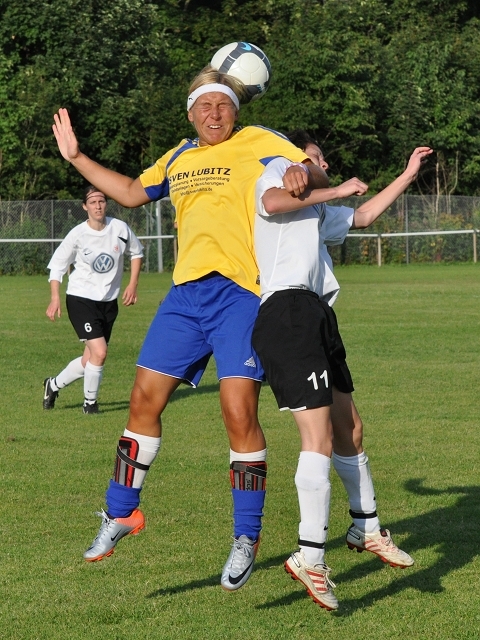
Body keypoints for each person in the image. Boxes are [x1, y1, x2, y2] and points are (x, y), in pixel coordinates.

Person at [52, 67, 329, 589]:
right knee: (142, 401)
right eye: (204, 106)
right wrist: (77, 158)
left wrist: (302, 172)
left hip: (240, 295)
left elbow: (309, 169)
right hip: (185, 297)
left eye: (224, 105)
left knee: (238, 410)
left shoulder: (258, 140)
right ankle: (122, 512)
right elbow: (130, 192)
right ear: (190, 114)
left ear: (236, 111)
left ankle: (246, 535)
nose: (214, 114)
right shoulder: (178, 156)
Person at [252, 130, 433, 609]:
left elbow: (365, 215)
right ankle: (309, 557)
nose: (323, 163)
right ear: (297, 160)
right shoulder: (275, 173)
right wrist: (334, 187)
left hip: (317, 315)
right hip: (287, 312)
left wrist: (407, 175)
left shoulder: (315, 212)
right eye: (315, 158)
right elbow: (272, 202)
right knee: (319, 438)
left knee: (350, 427)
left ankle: (366, 528)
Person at [44, 185, 144, 414]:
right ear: (85, 207)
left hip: (108, 302)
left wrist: (132, 284)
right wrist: (54, 298)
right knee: (100, 352)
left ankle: (53, 385)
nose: (98, 206)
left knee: (89, 358)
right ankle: (90, 404)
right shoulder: (78, 234)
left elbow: (137, 252)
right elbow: (57, 267)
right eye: (92, 202)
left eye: (101, 201)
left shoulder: (119, 228)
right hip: (80, 299)